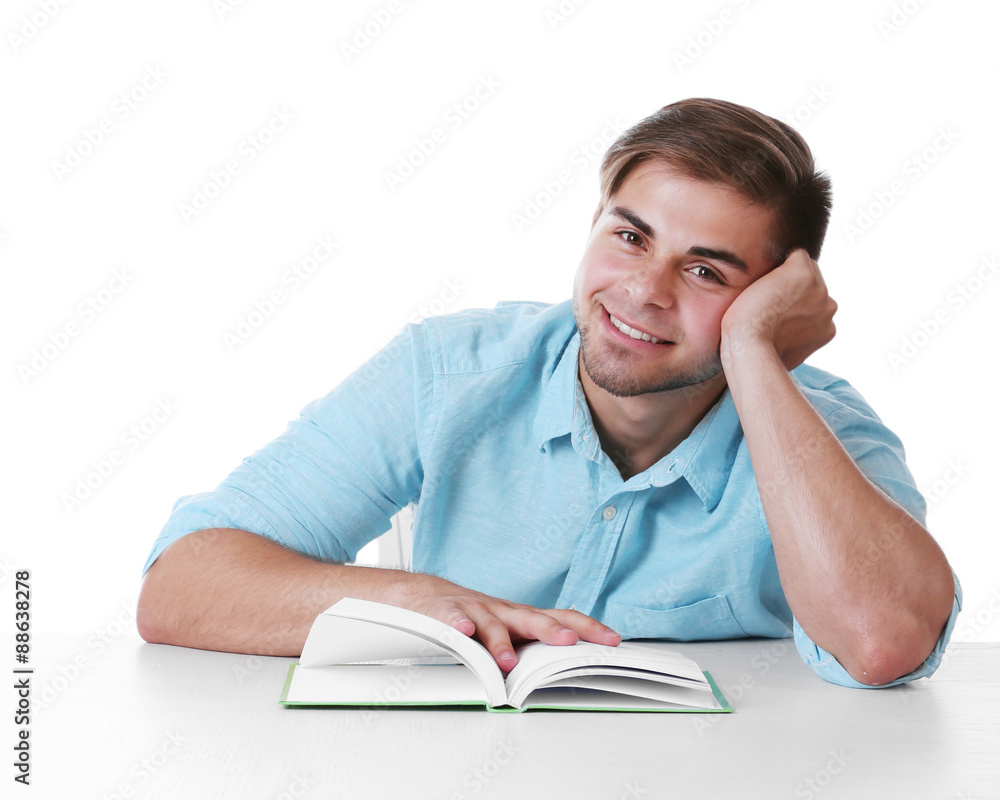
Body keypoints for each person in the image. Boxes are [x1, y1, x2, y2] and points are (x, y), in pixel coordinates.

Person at [137, 97, 960, 688]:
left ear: (774, 296)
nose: (643, 291)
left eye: (707, 270)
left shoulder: (826, 433)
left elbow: (884, 643)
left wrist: (754, 353)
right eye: (629, 237)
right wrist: (420, 600)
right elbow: (181, 584)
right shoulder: (448, 371)